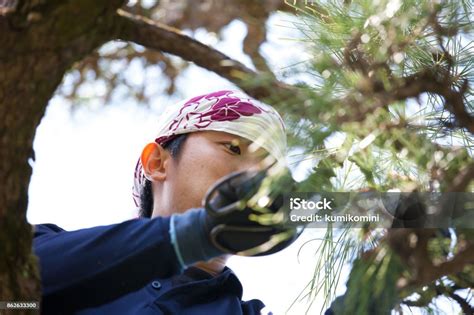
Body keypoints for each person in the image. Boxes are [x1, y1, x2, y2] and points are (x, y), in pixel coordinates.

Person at [33, 90, 296, 314]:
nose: (256, 177)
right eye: (232, 148)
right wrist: (194, 234)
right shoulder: (44, 248)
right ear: (157, 163)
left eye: (269, 168)